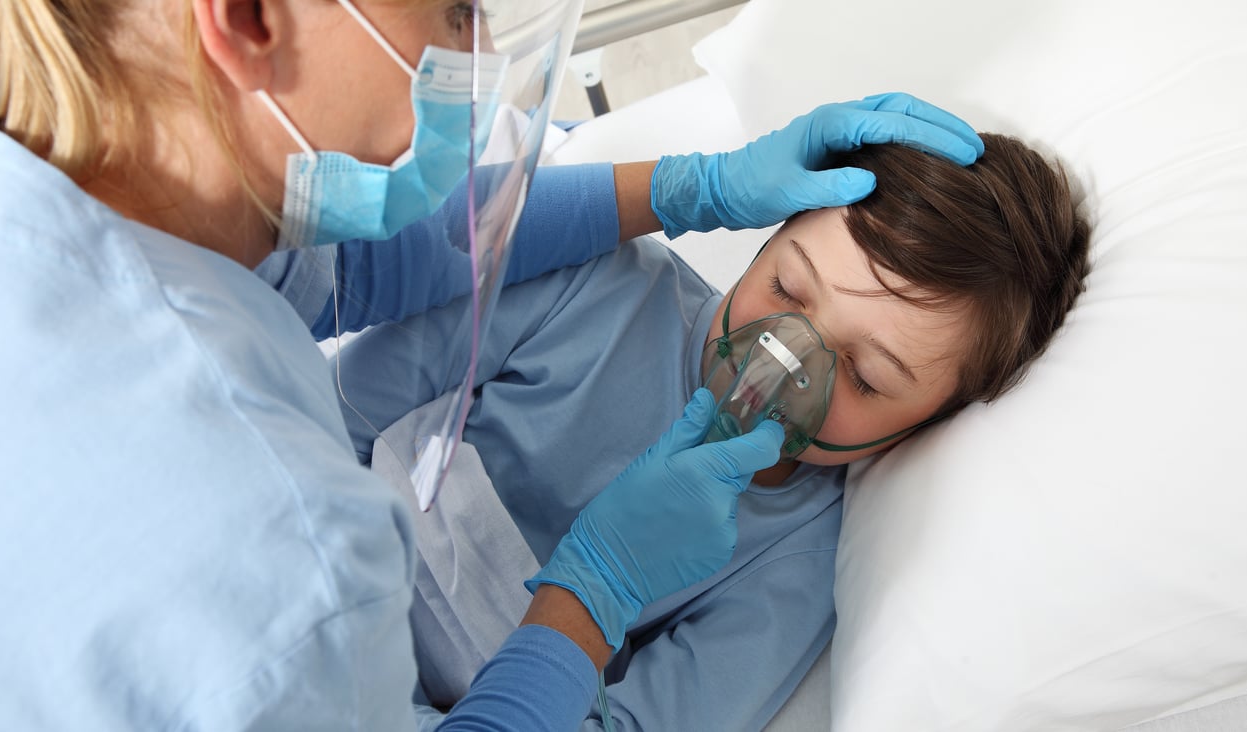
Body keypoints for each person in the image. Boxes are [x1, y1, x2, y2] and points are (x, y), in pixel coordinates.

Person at [0, 1, 986, 730]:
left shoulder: (67, 206)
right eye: (456, 12)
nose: (786, 358)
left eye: (862, 375)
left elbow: (367, 263)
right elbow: (366, 383)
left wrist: (696, 185)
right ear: (243, 20)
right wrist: (596, 588)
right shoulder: (288, 564)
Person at [326, 133, 1092, 730]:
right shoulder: (596, 284)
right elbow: (325, 421)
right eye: (787, 287)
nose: (785, 356)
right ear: (765, 238)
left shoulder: (794, 565)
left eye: (864, 377)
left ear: (922, 430)